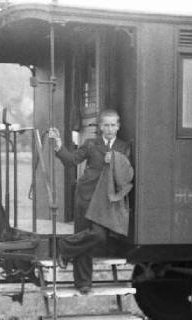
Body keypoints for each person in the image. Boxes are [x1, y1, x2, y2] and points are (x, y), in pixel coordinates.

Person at [48, 109, 132, 294]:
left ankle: (64, 246)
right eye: (106, 125)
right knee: (85, 236)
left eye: (113, 125)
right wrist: (59, 146)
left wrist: (116, 160)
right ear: (100, 127)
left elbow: (127, 174)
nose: (109, 129)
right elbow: (72, 161)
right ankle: (83, 283)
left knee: (98, 236)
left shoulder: (123, 147)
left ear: (118, 127)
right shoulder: (91, 144)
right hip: (86, 196)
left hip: (106, 201)